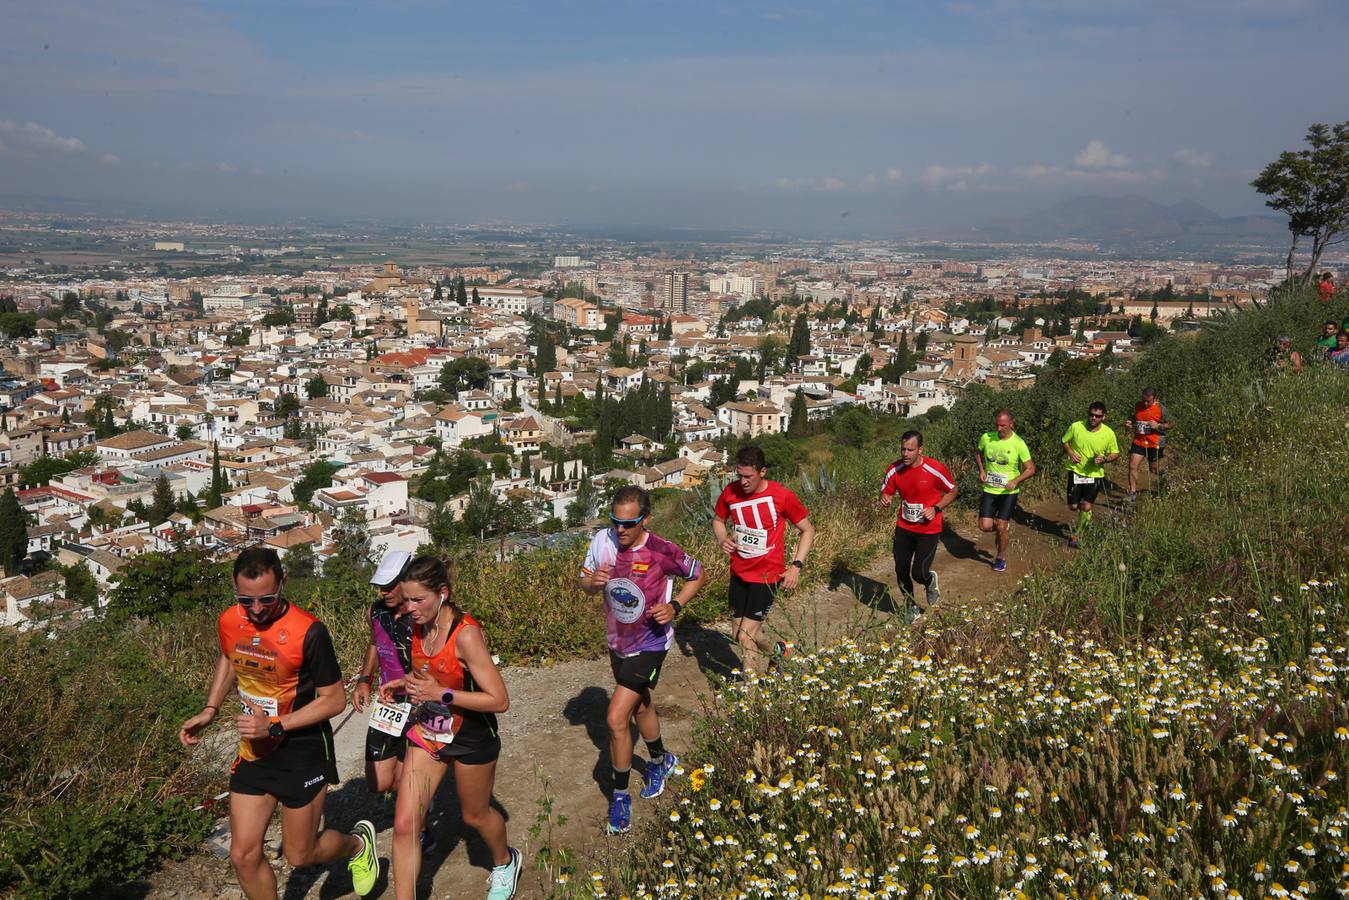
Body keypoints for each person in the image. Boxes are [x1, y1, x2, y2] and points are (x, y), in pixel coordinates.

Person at [178, 546, 378, 900]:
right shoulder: (229, 619)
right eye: (246, 600)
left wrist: (274, 725)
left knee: (300, 856)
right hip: (255, 751)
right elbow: (230, 657)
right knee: (242, 855)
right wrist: (210, 709)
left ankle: (357, 846)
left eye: (266, 599)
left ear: (283, 582)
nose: (255, 610)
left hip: (302, 752)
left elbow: (334, 700)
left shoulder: (309, 631)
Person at [378, 555, 519, 900]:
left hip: (472, 736)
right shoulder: (416, 626)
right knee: (405, 824)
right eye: (406, 598)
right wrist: (402, 683)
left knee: (475, 816)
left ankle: (505, 861)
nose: (409, 607)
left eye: (417, 600)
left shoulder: (465, 635)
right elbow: (429, 675)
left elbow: (499, 700)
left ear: (443, 593)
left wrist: (439, 693)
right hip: (429, 733)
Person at [580, 485, 706, 835]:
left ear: (645, 519)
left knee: (616, 717)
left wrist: (675, 606)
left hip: (652, 642)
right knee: (641, 707)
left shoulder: (661, 550)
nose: (620, 530)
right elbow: (583, 581)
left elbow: (698, 574)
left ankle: (620, 797)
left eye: (629, 523)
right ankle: (661, 760)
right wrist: (593, 584)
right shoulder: (601, 542)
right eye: (616, 522)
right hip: (618, 640)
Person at [349, 550, 440, 852]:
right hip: (389, 707)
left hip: (420, 705)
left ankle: (420, 824)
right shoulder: (376, 611)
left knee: (407, 782)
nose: (384, 591)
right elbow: (375, 643)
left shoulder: (423, 618)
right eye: (381, 585)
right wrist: (365, 679)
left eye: (390, 584)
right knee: (378, 782)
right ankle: (418, 805)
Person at [711, 445, 815, 674]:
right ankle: (780, 651)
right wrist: (722, 539)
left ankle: (753, 694)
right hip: (738, 572)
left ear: (762, 472)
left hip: (767, 575)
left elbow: (808, 530)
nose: (743, 481)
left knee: (746, 636)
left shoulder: (782, 496)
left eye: (748, 476)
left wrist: (796, 566)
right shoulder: (731, 492)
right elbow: (718, 520)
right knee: (738, 634)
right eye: (740, 475)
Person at [880, 431, 958, 609]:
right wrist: (884, 498)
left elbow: (953, 490)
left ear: (920, 450)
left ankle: (929, 581)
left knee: (919, 573)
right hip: (904, 527)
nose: (905, 454)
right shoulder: (894, 469)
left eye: (910, 450)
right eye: (903, 449)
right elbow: (885, 492)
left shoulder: (935, 469)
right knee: (900, 569)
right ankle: (911, 607)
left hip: (928, 530)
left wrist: (936, 507)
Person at [975, 409, 1035, 573]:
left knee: (1001, 527)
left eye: (1003, 426)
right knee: (984, 526)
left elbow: (1030, 469)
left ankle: (1000, 557)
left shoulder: (1018, 443)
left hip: (1008, 493)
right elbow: (978, 454)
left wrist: (1015, 481)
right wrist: (981, 470)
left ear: (1011, 424)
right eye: (997, 425)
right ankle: (1001, 530)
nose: (999, 428)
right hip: (990, 489)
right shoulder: (986, 437)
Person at [1061, 402, 1120, 548]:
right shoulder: (1076, 426)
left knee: (1086, 506)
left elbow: (1115, 453)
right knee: (1074, 506)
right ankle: (1085, 515)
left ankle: (1077, 535)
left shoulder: (1108, 433)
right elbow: (1064, 441)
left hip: (1094, 475)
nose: (1093, 418)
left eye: (1098, 416)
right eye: (1091, 415)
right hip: (1076, 472)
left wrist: (1104, 459)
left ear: (1103, 417)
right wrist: (1070, 452)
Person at [1124, 387, 1172, 500]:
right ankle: (1132, 493)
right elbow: (1134, 417)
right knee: (1132, 466)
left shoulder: (1161, 408)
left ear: (1155, 398)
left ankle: (1166, 478)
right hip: (1139, 441)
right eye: (1143, 400)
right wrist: (1129, 423)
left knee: (1153, 469)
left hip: (1155, 442)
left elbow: (1172, 423)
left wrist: (1159, 426)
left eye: (1148, 401)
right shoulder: (1138, 405)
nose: (1145, 403)